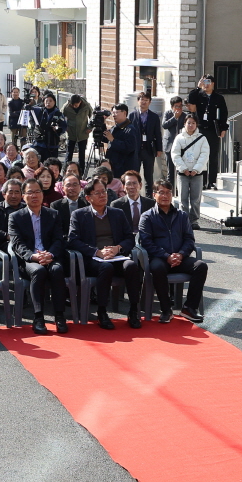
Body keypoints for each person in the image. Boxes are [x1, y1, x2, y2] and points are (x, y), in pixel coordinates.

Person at [70, 179, 145, 330]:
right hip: (93, 259)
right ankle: (102, 311)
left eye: (104, 191)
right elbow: (72, 241)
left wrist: (118, 248)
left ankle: (133, 310)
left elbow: (129, 237)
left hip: (116, 256)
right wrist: (97, 252)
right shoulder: (79, 215)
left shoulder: (117, 213)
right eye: (97, 193)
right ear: (88, 198)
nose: (102, 195)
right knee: (106, 269)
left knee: (131, 266)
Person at [137, 182, 206, 323]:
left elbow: (189, 239)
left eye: (168, 192)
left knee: (201, 266)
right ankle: (166, 309)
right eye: (161, 192)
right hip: (159, 258)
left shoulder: (181, 215)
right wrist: (166, 256)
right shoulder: (147, 217)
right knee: (156, 268)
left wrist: (181, 254)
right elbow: (146, 242)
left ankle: (189, 308)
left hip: (180, 257)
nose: (165, 196)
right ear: (154, 195)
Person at [9, 179, 71, 335]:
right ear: (24, 196)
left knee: (57, 270)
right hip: (30, 260)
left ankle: (59, 316)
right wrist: (34, 257)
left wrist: (50, 254)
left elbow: (59, 239)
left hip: (50, 255)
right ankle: (38, 317)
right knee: (39, 272)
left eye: (37, 191)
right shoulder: (16, 217)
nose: (34, 195)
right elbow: (17, 244)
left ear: (43, 195)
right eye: (30, 192)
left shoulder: (53, 214)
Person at [170, 113, 211, 227]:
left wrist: (196, 169)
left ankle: (194, 220)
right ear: (184, 123)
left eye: (193, 123)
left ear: (196, 124)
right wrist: (183, 168)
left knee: (196, 198)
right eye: (189, 123)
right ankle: (184, 220)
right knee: (182, 197)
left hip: (197, 173)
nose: (191, 125)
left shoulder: (202, 138)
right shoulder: (179, 138)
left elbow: (205, 155)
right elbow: (175, 154)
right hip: (182, 173)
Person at [189, 75, 231, 179]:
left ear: (213, 84)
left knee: (213, 155)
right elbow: (191, 100)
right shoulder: (198, 95)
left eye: (208, 82)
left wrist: (223, 128)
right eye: (204, 82)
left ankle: (212, 180)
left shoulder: (219, 98)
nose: (206, 84)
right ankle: (201, 179)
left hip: (213, 129)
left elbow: (224, 113)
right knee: (200, 155)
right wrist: (198, 88)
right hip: (200, 128)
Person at [130, 93, 164, 188]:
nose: (144, 102)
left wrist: (159, 149)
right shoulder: (132, 115)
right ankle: (135, 193)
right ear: (138, 101)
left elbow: (158, 133)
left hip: (149, 150)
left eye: (146, 100)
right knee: (134, 174)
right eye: (142, 99)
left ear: (150, 102)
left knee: (149, 175)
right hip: (136, 150)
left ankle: (149, 197)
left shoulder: (154, 117)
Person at [105, 103, 139, 178]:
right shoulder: (115, 127)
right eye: (113, 113)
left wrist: (113, 141)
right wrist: (102, 122)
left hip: (124, 167)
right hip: (114, 165)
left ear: (124, 113)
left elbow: (129, 147)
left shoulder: (130, 129)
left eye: (116, 112)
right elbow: (105, 137)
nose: (114, 115)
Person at [161, 97, 187, 189]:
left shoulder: (184, 116)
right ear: (172, 107)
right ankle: (170, 191)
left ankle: (179, 189)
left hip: (181, 147)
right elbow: (164, 125)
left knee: (180, 170)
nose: (179, 109)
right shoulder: (168, 114)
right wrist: (174, 118)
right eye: (176, 106)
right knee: (170, 171)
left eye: (180, 106)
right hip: (169, 145)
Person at [63, 93, 92, 170]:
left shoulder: (86, 106)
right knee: (69, 153)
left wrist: (90, 127)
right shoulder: (66, 107)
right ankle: (66, 170)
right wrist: (65, 127)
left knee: (82, 154)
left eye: (76, 105)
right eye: (73, 105)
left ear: (80, 102)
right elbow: (61, 118)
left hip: (83, 132)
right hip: (71, 133)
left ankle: (81, 171)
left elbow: (92, 117)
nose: (75, 106)